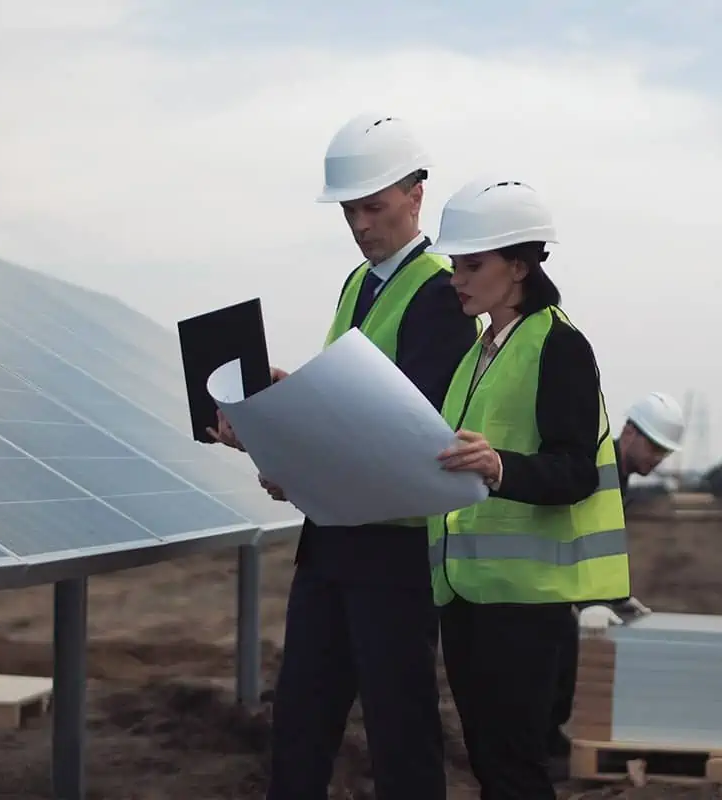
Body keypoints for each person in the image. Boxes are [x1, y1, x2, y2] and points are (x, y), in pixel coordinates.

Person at [210, 112, 479, 800]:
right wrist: (279, 419)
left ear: (415, 195)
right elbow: (348, 409)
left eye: (373, 207)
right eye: (348, 211)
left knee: (399, 731)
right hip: (331, 542)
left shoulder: (442, 294)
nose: (360, 225)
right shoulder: (357, 285)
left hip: (396, 553)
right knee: (299, 723)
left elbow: (409, 438)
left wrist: (307, 446)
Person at [429, 176, 631, 800]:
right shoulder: (480, 352)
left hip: (525, 603)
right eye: (455, 266)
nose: (457, 279)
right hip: (468, 594)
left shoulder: (559, 345)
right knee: (492, 766)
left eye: (472, 265)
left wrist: (500, 467)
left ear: (518, 266)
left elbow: (575, 470)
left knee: (515, 769)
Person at [547, 391, 687, 764]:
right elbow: (574, 534)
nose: (657, 458)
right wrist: (591, 601)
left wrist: (615, 598)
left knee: (565, 654)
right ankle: (536, 750)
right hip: (543, 574)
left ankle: (548, 740)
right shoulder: (596, 469)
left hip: (563, 579)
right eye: (654, 447)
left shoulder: (618, 476)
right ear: (629, 432)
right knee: (553, 655)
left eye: (664, 452)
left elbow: (600, 543)